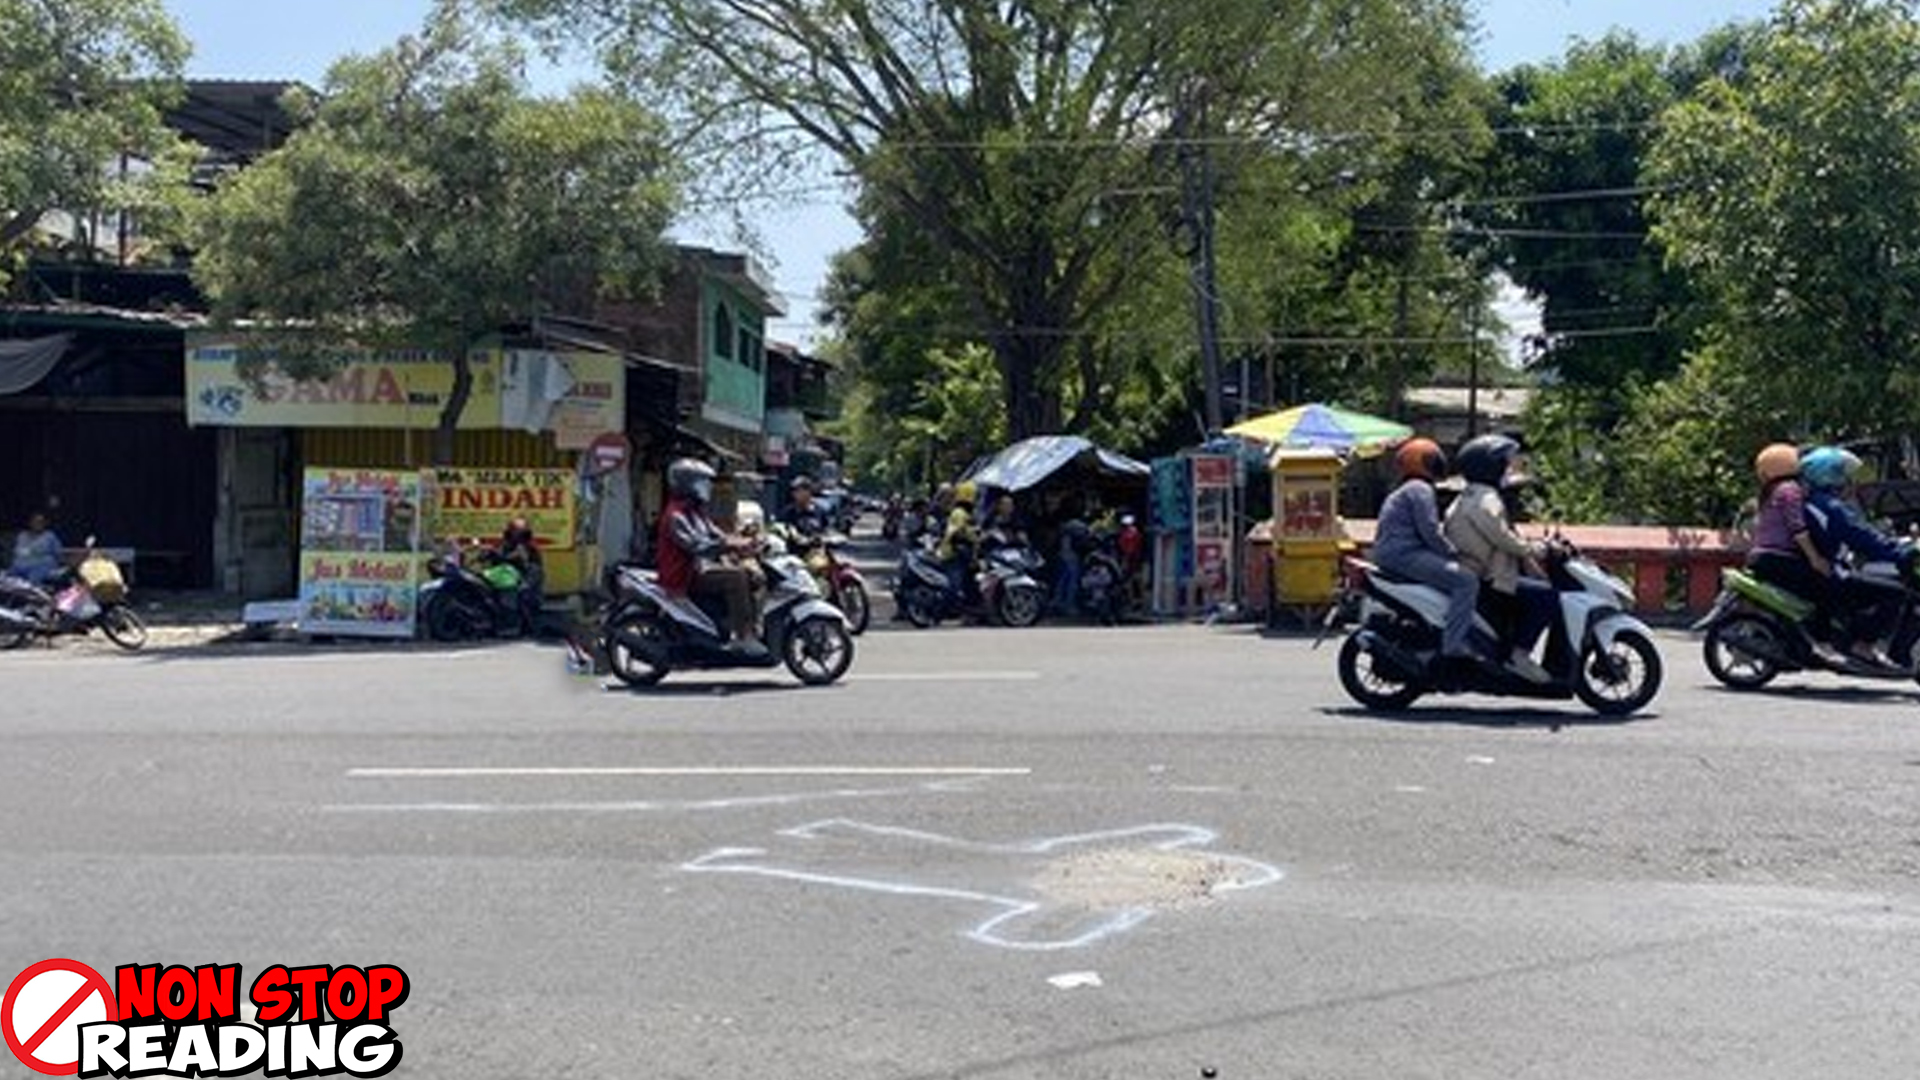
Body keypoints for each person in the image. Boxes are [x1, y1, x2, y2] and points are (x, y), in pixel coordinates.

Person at [1445, 435, 1555, 683]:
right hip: (1488, 576)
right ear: (1490, 466)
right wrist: (1532, 549)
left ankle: (1506, 648)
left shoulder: (1470, 495)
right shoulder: (1486, 498)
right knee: (1545, 596)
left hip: (1477, 569)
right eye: (1506, 462)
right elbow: (1499, 535)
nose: (1510, 468)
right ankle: (1519, 655)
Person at [1372, 437, 1483, 664]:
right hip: (1404, 554)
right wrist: (1455, 554)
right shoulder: (1420, 489)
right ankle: (1453, 644)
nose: (1439, 463)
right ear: (1422, 463)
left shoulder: (1408, 489)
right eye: (1433, 459)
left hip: (1396, 553)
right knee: (1466, 580)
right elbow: (1430, 531)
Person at [1800, 445, 1909, 669]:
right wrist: (1899, 553)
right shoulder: (1831, 507)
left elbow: (1863, 533)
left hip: (1829, 569)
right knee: (1896, 593)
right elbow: (1861, 537)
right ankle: (1863, 645)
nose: (1850, 481)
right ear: (1830, 476)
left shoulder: (1818, 502)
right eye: (1844, 474)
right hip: (1832, 574)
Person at [1746, 442, 1847, 667]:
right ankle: (1823, 644)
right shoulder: (1789, 490)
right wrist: (1816, 559)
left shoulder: (1770, 491)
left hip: (1764, 557)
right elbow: (1797, 529)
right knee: (1827, 586)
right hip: (1778, 558)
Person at [655, 458, 764, 654]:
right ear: (688, 484)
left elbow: (719, 535)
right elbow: (697, 545)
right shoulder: (676, 515)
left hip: (698, 569)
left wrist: (744, 542)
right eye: (702, 483)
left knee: (751, 574)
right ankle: (742, 636)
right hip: (684, 576)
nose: (707, 488)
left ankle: (748, 625)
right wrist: (729, 545)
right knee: (736, 577)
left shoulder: (695, 512)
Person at [497, 516, 545, 635]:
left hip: (526, 579)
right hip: (507, 577)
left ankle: (524, 626)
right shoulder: (505, 545)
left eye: (520, 532)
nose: (517, 535)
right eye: (514, 531)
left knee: (522, 593)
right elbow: (499, 557)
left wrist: (520, 559)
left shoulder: (531, 548)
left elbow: (534, 569)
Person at [937, 481, 980, 600]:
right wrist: (970, 537)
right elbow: (957, 533)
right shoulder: (959, 513)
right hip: (954, 554)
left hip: (963, 552)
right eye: (975, 496)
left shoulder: (965, 513)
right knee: (955, 585)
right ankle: (945, 607)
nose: (976, 499)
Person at [9, 510, 64, 585]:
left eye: (41, 522)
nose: (38, 524)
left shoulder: (50, 536)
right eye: (35, 521)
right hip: (22, 564)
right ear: (30, 523)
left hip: (42, 566)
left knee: (43, 564)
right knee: (13, 570)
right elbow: (18, 552)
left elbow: (58, 555)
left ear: (45, 523)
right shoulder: (22, 535)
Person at [782, 476, 831, 542]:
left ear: (808, 492)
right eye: (795, 491)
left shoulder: (820, 511)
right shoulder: (788, 513)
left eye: (800, 491)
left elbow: (827, 531)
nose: (796, 494)